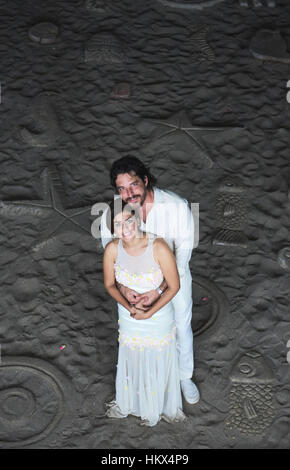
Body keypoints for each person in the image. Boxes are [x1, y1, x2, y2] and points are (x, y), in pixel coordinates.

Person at [101, 156, 199, 405]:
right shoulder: (116, 211)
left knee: (180, 322)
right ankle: (144, 380)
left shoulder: (176, 207)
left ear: (145, 180)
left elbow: (182, 257)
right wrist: (123, 286)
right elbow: (111, 251)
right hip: (133, 282)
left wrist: (159, 289)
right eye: (122, 188)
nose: (128, 193)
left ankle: (184, 377)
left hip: (172, 279)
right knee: (136, 329)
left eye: (133, 185)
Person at [103, 199, 186, 426]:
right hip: (129, 316)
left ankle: (157, 404)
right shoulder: (112, 249)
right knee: (132, 355)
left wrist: (151, 310)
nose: (125, 228)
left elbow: (174, 285)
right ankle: (133, 401)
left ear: (137, 220)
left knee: (157, 356)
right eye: (118, 224)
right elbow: (110, 284)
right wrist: (128, 304)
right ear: (113, 228)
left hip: (157, 315)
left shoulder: (158, 246)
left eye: (128, 221)